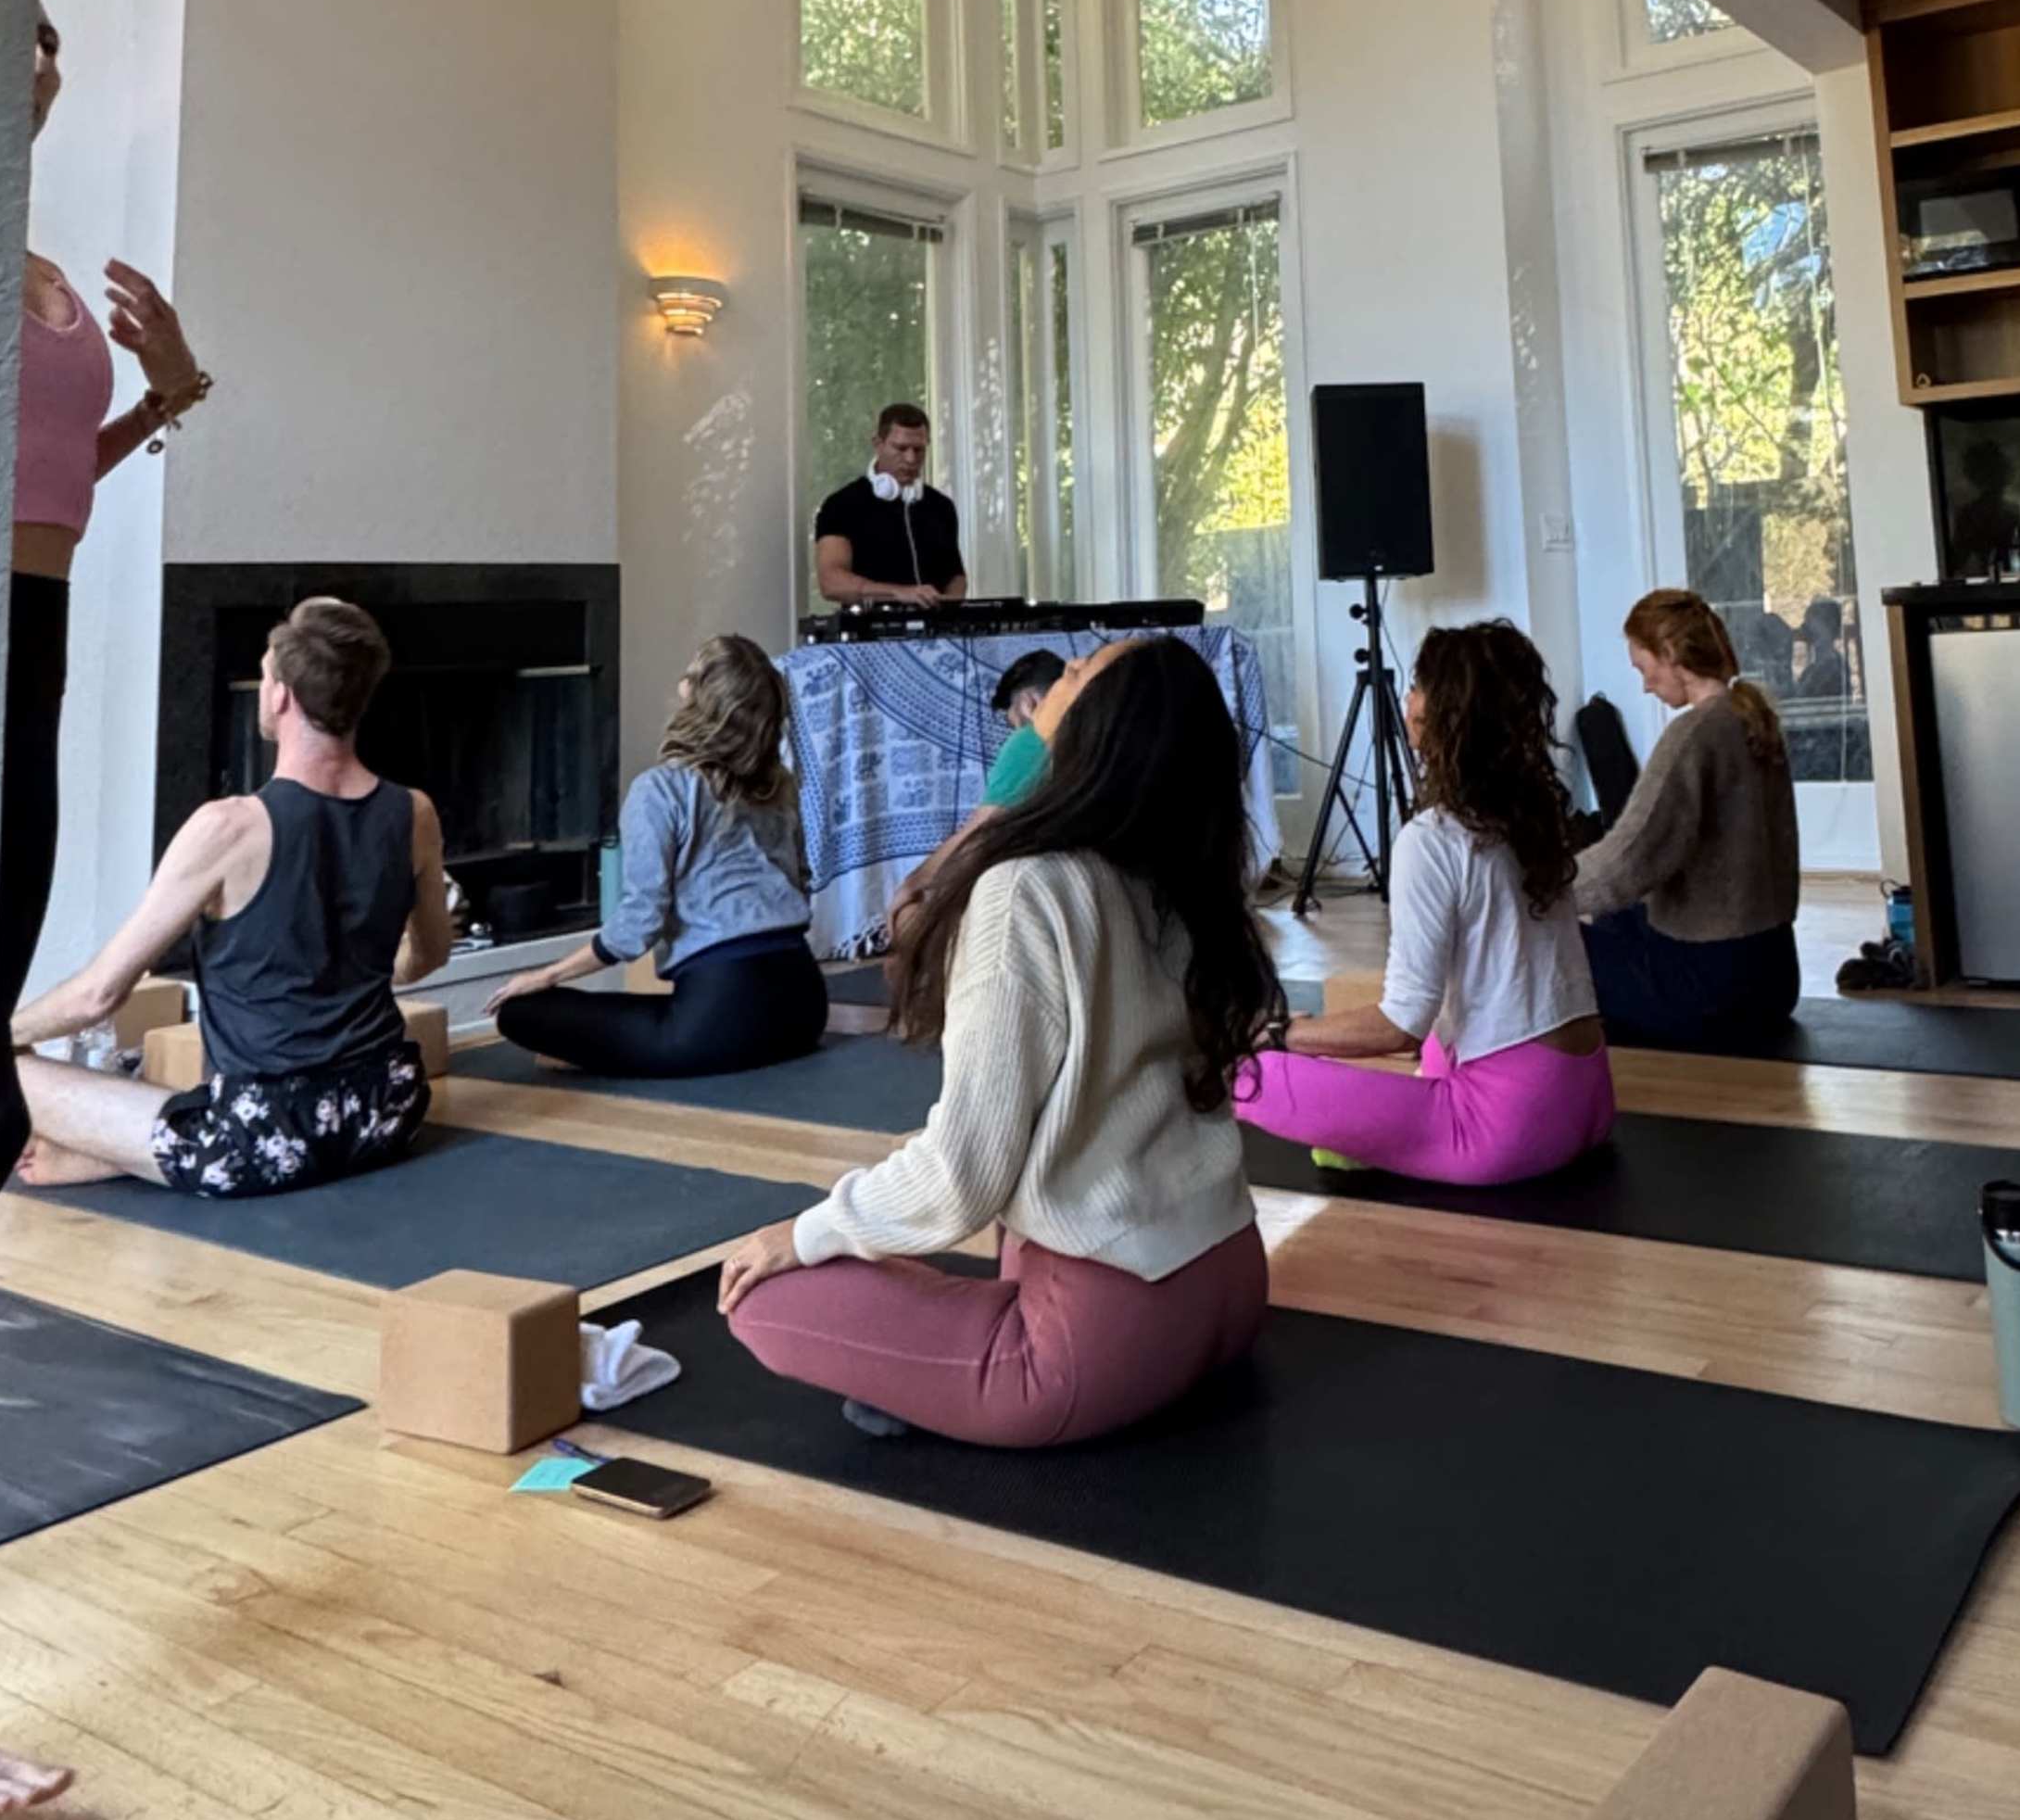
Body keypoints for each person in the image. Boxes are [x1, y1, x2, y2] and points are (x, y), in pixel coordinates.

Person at [713, 636, 1281, 1447]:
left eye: (1077, 676)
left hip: (1098, 1344)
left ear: (1099, 731)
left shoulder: (1029, 890)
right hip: (1228, 1281)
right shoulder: (1180, 875)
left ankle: (931, 1376)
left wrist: (801, 1233)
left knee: (760, 1301)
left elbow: (960, 1179)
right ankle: (930, 1367)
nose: (1055, 679)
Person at [0, 2, 209, 1818]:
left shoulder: (46, 262)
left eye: (50, 37)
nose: (38, 54)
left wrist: (170, 392)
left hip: (30, 649)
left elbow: (60, 483)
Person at [5, 596, 448, 1191]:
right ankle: (117, 1152)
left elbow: (97, 995)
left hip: (263, 1139)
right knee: (201, 1105)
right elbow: (428, 956)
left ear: (282, 694)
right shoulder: (413, 813)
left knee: (2, 1065)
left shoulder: (229, 828)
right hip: (388, 1110)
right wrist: (340, 981)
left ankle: (124, 1150)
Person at [1236, 619, 1614, 1190]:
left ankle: (1374, 1131)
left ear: (1442, 714)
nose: (1407, 699)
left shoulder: (1433, 838)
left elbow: (1401, 1026)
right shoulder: (1533, 819)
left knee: (1243, 1072)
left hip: (1510, 1129)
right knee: (1439, 1047)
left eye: (1416, 686)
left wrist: (1286, 1032)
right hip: (1587, 1100)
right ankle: (1383, 1130)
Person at [486, 635, 825, 1079]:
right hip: (803, 1005)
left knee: (518, 1012)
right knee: (636, 1012)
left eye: (692, 671)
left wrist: (548, 974)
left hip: (719, 1021)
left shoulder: (659, 789)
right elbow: (801, 879)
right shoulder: (779, 785)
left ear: (701, 697)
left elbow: (638, 927)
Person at [1572, 588, 1802, 1049]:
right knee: (1616, 918)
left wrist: (1534, 896)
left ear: (1672, 653)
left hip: (1714, 995)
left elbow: (1625, 863)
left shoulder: (1694, 735)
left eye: (1644, 667)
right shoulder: (1754, 719)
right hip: (1775, 976)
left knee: (1557, 940)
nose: (1644, 685)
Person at [812, 402, 967, 606]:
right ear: (878, 444)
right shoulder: (841, 505)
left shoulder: (941, 506)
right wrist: (898, 593)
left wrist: (950, 610)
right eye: (901, 448)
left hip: (938, 633)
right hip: (868, 633)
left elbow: (955, 577)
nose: (911, 459)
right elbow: (831, 582)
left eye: (919, 450)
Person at [983, 646, 1070, 810]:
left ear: (1028, 703)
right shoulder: (1108, 733)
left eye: (1016, 724)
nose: (1017, 732)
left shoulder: (1032, 739)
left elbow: (984, 831)